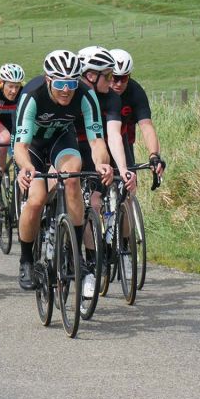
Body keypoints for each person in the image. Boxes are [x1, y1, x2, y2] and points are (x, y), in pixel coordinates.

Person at [12, 50, 113, 290]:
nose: (66, 90)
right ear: (48, 80)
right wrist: (26, 167)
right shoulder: (31, 95)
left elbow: (97, 141)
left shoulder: (86, 95)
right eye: (60, 83)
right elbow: (20, 145)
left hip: (61, 140)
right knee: (36, 200)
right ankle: (26, 259)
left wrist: (101, 163)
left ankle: (76, 252)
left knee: (72, 177)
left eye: (71, 83)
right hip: (33, 146)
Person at [74, 46, 136, 299]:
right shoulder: (72, 93)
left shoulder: (110, 97)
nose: (113, 82)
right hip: (69, 148)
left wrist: (123, 170)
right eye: (108, 76)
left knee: (94, 204)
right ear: (90, 75)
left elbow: (113, 136)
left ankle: (90, 264)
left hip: (95, 149)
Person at [109, 48, 165, 178]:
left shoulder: (135, 91)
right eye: (115, 78)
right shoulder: (99, 92)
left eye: (124, 78)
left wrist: (154, 155)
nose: (119, 83)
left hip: (122, 138)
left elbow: (146, 126)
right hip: (99, 138)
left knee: (129, 183)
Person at [0, 63, 24, 206]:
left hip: (13, 120)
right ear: (2, 83)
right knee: (5, 138)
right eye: (10, 86)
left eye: (17, 86)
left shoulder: (23, 91)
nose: (14, 91)